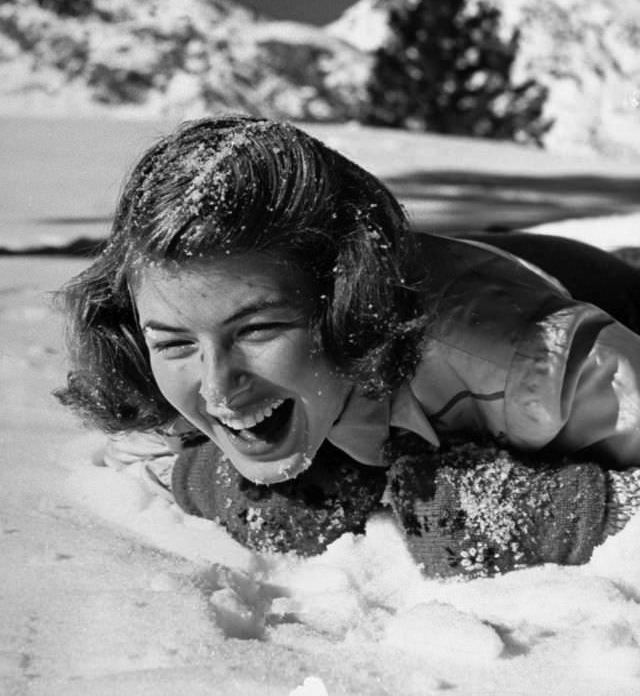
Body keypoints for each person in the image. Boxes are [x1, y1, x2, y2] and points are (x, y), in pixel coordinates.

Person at [55, 115, 640, 577]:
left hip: (591, 284)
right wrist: (224, 480)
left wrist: (567, 511)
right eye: (177, 342)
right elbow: (136, 447)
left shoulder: (526, 360)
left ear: (348, 305)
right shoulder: (151, 365)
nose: (217, 388)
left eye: (258, 330)